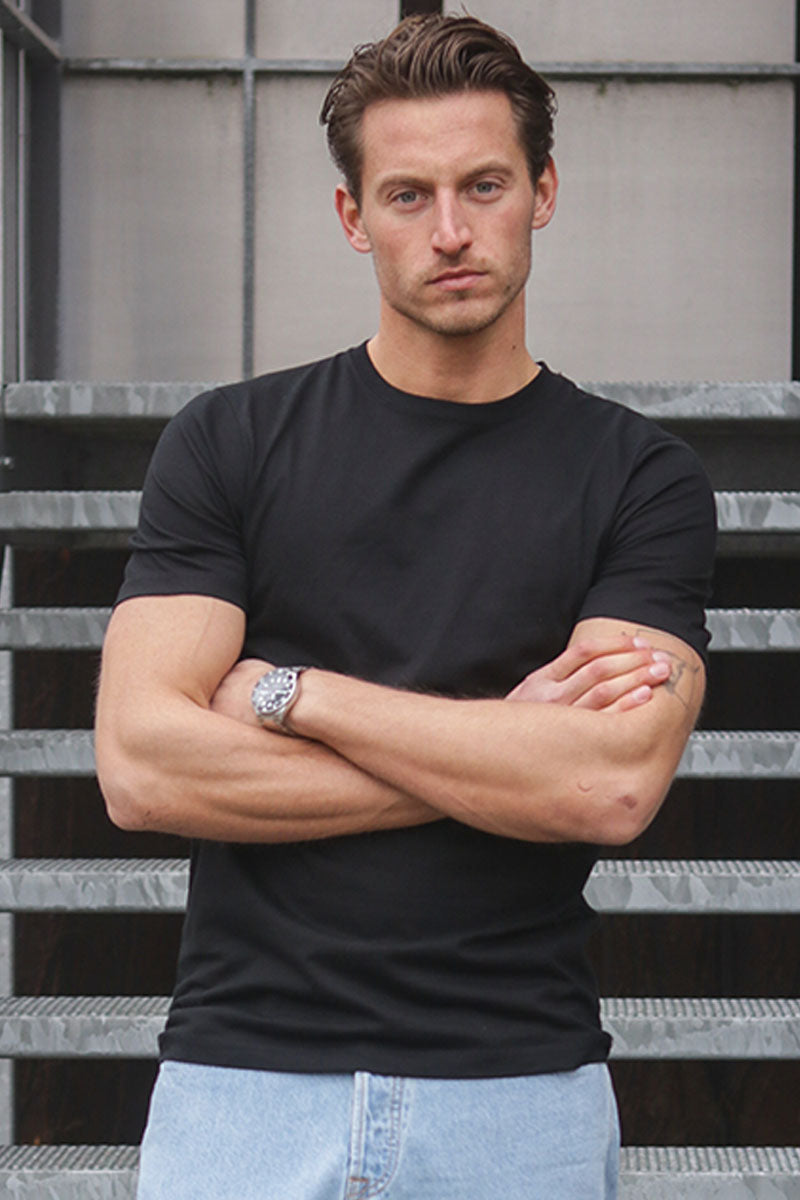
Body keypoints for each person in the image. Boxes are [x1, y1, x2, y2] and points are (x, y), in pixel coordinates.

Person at [94, 13, 716, 1199]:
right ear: (351, 217)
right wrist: (501, 752)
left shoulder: (638, 477)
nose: (449, 231)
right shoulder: (230, 443)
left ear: (541, 192)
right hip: (243, 1092)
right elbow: (141, 767)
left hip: (514, 1098)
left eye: (483, 185)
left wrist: (293, 695)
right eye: (405, 195)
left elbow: (604, 785)